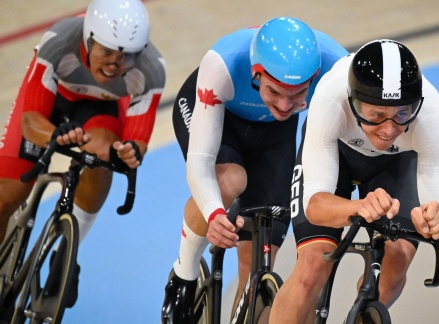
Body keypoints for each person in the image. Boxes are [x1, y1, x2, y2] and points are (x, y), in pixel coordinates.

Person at [162, 17, 348, 323]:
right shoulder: (222, 64)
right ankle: (182, 277)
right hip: (217, 114)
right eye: (274, 91)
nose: (286, 104)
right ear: (256, 73)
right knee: (230, 180)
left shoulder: (338, 66)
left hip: (274, 134)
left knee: (257, 268)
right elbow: (200, 160)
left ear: (315, 76)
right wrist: (213, 213)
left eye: (298, 94)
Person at [269, 39, 439, 323]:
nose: (389, 129)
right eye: (377, 115)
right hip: (338, 154)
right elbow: (316, 205)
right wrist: (355, 207)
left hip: (397, 162)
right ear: (354, 102)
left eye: (402, 114)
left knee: (396, 264)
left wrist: (438, 220)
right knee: (311, 268)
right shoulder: (331, 97)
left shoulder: (430, 115)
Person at [0, 0, 166, 306]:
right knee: (8, 193)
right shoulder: (59, 42)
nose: (114, 65)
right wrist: (53, 135)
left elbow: (135, 141)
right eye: (106, 51)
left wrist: (128, 153)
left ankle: (67, 251)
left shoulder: (151, 69)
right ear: (88, 39)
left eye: (127, 55)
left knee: (105, 153)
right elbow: (30, 120)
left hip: (98, 110)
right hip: (49, 104)